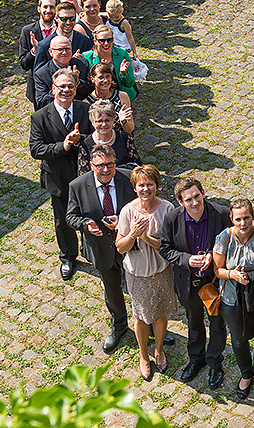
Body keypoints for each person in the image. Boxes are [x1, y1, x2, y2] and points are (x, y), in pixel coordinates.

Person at [158, 177, 229, 389]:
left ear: (204, 193)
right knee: (193, 322)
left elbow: (232, 243)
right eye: (188, 200)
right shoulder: (172, 219)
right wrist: (186, 260)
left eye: (197, 196)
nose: (195, 202)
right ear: (181, 202)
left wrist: (212, 256)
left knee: (217, 324)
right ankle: (196, 359)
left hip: (214, 282)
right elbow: (165, 248)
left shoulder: (222, 214)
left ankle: (215, 363)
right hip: (187, 283)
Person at [67, 143, 136, 354]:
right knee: (112, 290)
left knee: (140, 287)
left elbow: (144, 206)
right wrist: (85, 224)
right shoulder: (77, 186)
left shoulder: (128, 179)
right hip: (101, 249)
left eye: (110, 164)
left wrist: (124, 222)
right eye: (100, 166)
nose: (106, 170)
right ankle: (119, 325)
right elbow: (70, 216)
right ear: (91, 165)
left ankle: (149, 323)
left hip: (131, 247)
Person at [212, 197, 254, 400]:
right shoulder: (224, 237)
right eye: (238, 219)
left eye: (246, 218)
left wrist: (252, 277)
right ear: (231, 219)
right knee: (239, 340)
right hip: (232, 298)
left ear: (253, 217)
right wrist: (232, 274)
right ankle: (246, 373)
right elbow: (218, 270)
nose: (243, 223)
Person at [114, 164, 179, 380]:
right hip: (138, 273)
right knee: (141, 318)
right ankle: (143, 355)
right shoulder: (127, 211)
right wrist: (133, 234)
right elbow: (120, 247)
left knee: (160, 312)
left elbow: (170, 245)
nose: (145, 189)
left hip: (161, 270)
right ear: (134, 188)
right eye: (141, 185)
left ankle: (159, 349)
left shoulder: (168, 209)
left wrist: (145, 238)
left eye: (149, 184)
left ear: (156, 186)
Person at [29, 68, 93, 282]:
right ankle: (67, 256)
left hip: (85, 176)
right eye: (62, 86)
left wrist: (80, 138)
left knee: (90, 215)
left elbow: (96, 139)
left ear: (76, 89)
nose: (66, 90)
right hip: (58, 177)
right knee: (63, 220)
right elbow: (36, 150)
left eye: (70, 86)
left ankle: (92, 253)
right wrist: (63, 145)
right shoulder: (40, 117)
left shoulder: (85, 110)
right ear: (53, 89)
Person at [77, 99, 140, 174]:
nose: (104, 124)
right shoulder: (85, 144)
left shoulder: (124, 138)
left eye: (107, 120)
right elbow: (83, 175)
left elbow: (137, 165)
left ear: (113, 120)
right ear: (92, 121)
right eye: (99, 121)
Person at [33, 1, 92, 79]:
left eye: (72, 18)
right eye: (64, 19)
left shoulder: (84, 40)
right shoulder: (44, 45)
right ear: (56, 18)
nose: (68, 22)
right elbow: (39, 75)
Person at [19, 0, 58, 107]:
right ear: (39, 9)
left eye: (52, 7)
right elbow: (24, 64)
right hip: (38, 87)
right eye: (45, 7)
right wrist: (35, 51)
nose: (48, 10)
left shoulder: (62, 29)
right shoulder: (27, 31)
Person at [33, 35, 91, 110]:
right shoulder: (41, 74)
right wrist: (60, 88)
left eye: (67, 49)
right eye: (60, 49)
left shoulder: (82, 64)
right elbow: (42, 102)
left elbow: (90, 90)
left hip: (80, 110)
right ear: (51, 52)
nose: (64, 52)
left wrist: (77, 81)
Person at [83, 24, 138, 103]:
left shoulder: (122, 53)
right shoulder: (87, 57)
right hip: (98, 98)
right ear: (95, 41)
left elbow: (130, 83)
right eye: (102, 41)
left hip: (120, 95)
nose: (106, 44)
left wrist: (124, 74)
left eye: (109, 40)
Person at [87, 62, 134, 133]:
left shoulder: (122, 97)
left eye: (108, 76)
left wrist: (124, 121)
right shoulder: (87, 102)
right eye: (101, 77)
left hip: (120, 140)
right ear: (92, 79)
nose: (105, 80)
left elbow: (130, 129)